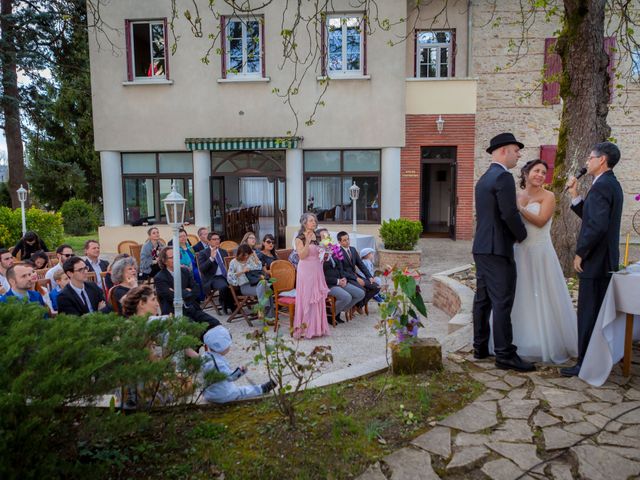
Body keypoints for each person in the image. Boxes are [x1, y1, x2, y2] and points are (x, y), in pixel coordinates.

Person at [561, 141, 624, 377]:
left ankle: (584, 364)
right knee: (595, 310)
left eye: (590, 157)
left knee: (588, 311)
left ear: (602, 160)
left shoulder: (602, 186)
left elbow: (596, 227)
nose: (586, 161)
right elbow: (593, 218)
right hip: (605, 259)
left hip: (596, 260)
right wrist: (576, 197)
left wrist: (581, 252)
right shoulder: (610, 184)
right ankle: (592, 359)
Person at [472, 132, 534, 372]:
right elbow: (508, 214)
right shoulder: (503, 177)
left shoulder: (484, 179)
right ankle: (505, 354)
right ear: (503, 151)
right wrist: (522, 235)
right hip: (498, 249)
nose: (519, 154)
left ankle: (479, 347)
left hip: (482, 247)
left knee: (483, 299)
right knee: (502, 302)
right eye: (516, 150)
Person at [508, 159, 578, 363]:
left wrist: (520, 209)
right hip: (520, 252)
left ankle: (547, 341)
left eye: (543, 172)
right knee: (521, 295)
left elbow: (541, 221)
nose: (539, 175)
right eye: (536, 171)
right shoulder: (516, 195)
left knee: (544, 294)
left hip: (541, 252)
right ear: (526, 173)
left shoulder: (549, 196)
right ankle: (520, 339)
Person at [200, 325, 276, 403]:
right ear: (223, 347)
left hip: (209, 393)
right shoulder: (218, 363)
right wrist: (241, 371)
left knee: (235, 388)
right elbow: (230, 377)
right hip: (222, 395)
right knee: (242, 391)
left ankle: (261, 388)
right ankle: (263, 389)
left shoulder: (205, 356)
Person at [153, 246, 220, 328]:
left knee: (215, 323)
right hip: (174, 313)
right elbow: (172, 297)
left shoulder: (185, 271)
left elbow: (196, 290)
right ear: (164, 261)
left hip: (192, 308)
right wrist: (187, 291)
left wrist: (177, 291)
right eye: (172, 257)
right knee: (195, 329)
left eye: (177, 256)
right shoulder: (160, 277)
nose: (176, 259)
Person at [292, 213, 329, 338]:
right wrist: (307, 242)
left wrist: (327, 247)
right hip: (306, 270)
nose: (314, 223)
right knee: (307, 297)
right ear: (304, 223)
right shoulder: (299, 238)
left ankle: (318, 328)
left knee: (317, 297)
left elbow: (325, 250)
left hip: (317, 268)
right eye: (311, 221)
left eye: (315, 220)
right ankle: (306, 328)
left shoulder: (318, 235)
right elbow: (302, 256)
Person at [337, 231, 380, 314]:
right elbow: (341, 271)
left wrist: (369, 276)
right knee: (363, 290)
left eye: (348, 239)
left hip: (355, 275)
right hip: (348, 278)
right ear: (339, 242)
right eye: (344, 240)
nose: (347, 241)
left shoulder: (353, 249)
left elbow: (360, 265)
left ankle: (358, 305)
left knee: (376, 287)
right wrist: (357, 279)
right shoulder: (338, 252)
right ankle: (355, 305)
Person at [227, 244, 274, 319]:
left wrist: (254, 254)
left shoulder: (250, 259)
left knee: (264, 285)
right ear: (239, 254)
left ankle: (262, 309)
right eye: (244, 255)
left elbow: (259, 267)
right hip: (245, 286)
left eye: (247, 255)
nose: (246, 257)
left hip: (255, 283)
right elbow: (229, 277)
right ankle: (269, 315)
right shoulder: (233, 262)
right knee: (267, 289)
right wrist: (242, 271)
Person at [197, 231, 234, 314]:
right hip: (212, 278)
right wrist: (211, 258)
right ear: (209, 241)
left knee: (237, 283)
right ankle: (224, 303)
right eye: (214, 239)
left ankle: (233, 305)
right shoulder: (203, 253)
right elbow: (202, 269)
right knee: (224, 286)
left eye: (218, 239)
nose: (217, 241)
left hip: (225, 275)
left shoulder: (223, 251)